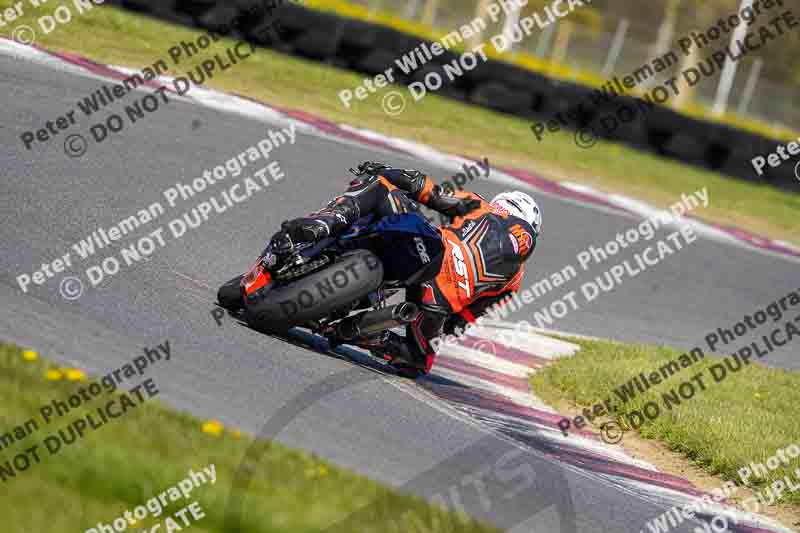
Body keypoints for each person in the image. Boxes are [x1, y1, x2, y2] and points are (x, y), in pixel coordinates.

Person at [269, 161, 542, 378]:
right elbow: (459, 325)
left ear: (502, 206)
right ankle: (362, 333)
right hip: (437, 303)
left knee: (379, 185)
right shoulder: (515, 280)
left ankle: (322, 225)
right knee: (417, 363)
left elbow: (424, 188)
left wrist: (386, 171)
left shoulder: (480, 205)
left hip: (429, 252)